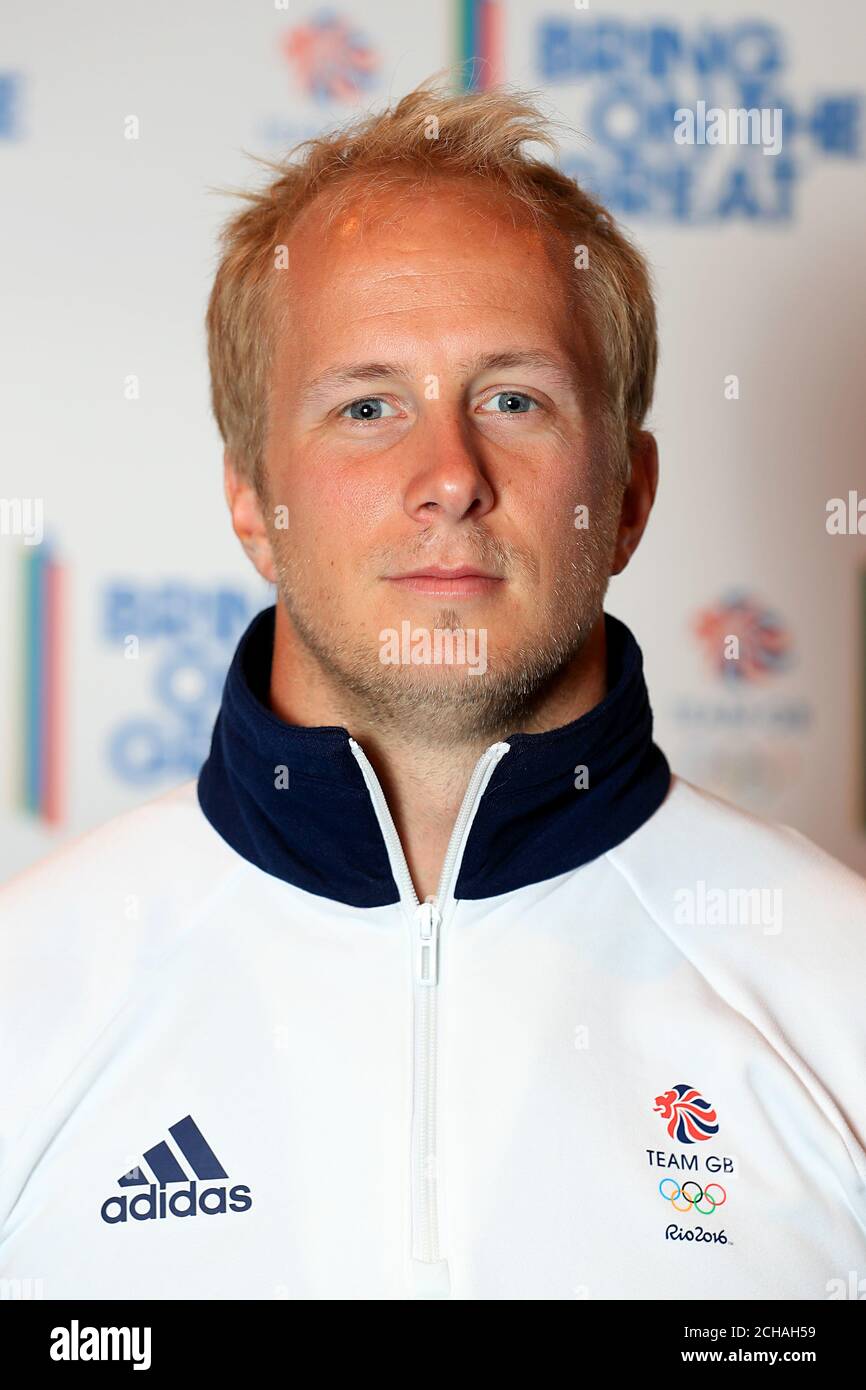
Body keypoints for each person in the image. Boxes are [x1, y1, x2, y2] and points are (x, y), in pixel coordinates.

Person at [1, 76, 864, 1302]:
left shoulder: (835, 991)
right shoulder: (28, 990)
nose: (447, 475)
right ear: (252, 499)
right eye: (367, 406)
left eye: (512, 399)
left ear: (624, 493)